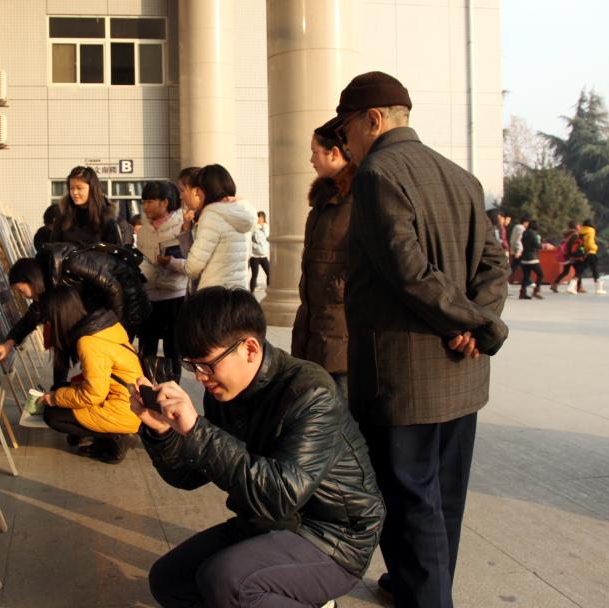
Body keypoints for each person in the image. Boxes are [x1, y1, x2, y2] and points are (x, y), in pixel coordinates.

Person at [334, 71, 509, 608]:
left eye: (346, 130)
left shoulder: (377, 174)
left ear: (372, 120)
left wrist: (470, 324)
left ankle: (428, 597)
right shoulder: (462, 176)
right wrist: (476, 321)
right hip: (461, 373)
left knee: (410, 501)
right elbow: (495, 265)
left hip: (403, 377)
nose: (345, 143)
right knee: (445, 496)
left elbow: (407, 271)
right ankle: (420, 584)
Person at [136, 287, 384, 608]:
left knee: (227, 580)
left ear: (250, 349)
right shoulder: (222, 392)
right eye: (191, 366)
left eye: (207, 365)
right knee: (169, 580)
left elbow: (282, 494)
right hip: (264, 523)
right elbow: (188, 476)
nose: (200, 377)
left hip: (333, 536)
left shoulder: (311, 392)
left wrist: (197, 430)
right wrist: (162, 434)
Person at [0, 248, 151, 382]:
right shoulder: (47, 284)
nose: (23, 296)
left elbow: (114, 288)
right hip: (107, 306)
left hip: (129, 301)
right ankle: (72, 391)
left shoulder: (70, 265)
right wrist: (8, 344)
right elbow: (32, 317)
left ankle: (121, 403)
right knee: (72, 339)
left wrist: (112, 328)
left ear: (31, 279)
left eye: (21, 290)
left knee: (112, 358)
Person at [37, 286, 142, 464]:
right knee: (59, 388)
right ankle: (92, 433)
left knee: (52, 415)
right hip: (128, 401)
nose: (47, 326)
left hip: (124, 410)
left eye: (48, 320)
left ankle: (116, 438)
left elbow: (94, 394)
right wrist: (60, 393)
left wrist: (56, 398)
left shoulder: (88, 342)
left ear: (59, 317)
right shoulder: (102, 327)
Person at [292, 117, 355, 400]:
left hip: (339, 328)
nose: (311, 160)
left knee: (338, 408)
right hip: (316, 321)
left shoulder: (355, 198)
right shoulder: (325, 200)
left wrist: (337, 288)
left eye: (314, 152)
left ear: (334, 153)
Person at [159, 164, 257, 290]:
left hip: (214, 293)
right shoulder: (241, 212)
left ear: (207, 189)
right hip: (238, 290)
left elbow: (193, 268)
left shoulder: (211, 215)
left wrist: (171, 262)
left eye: (199, 189)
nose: (197, 193)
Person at [136, 181, 188, 382]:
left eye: (150, 201)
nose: (145, 206)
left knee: (173, 350)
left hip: (175, 297)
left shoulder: (182, 226)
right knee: (146, 349)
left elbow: (191, 263)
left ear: (164, 202)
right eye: (143, 202)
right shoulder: (143, 231)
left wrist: (170, 262)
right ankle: (147, 390)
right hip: (148, 298)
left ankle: (173, 390)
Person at [50, 165, 128, 246]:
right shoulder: (63, 214)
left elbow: (113, 249)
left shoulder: (106, 216)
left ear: (92, 189)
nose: (74, 192)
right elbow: (53, 246)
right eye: (72, 188)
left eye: (79, 188)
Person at [575, 219, 605, 294]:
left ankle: (571, 286)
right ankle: (598, 289)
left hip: (585, 253)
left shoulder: (581, 231)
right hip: (591, 252)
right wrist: (595, 247)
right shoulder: (591, 230)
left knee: (581, 270)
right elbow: (590, 242)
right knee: (594, 270)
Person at [551, 220, 581, 293]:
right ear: (575, 226)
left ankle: (555, 283)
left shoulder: (569, 234)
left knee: (566, 271)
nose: (580, 226)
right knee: (578, 270)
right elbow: (572, 245)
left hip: (567, 254)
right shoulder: (575, 234)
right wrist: (573, 255)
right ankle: (578, 287)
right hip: (571, 255)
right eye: (578, 225)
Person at [518, 219, 545, 299]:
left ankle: (522, 293)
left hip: (524, 258)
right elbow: (537, 245)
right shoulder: (533, 234)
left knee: (526, 276)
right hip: (532, 258)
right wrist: (542, 245)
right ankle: (536, 291)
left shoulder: (525, 233)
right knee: (540, 274)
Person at [248, 211, 270, 291]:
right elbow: (249, 240)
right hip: (254, 256)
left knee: (270, 273)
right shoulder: (253, 228)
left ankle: (269, 290)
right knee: (255, 275)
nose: (260, 219)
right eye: (259, 217)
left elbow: (267, 240)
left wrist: (264, 228)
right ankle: (252, 292)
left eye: (262, 217)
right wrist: (256, 247)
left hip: (263, 256)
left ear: (264, 219)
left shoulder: (266, 228)